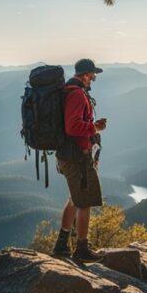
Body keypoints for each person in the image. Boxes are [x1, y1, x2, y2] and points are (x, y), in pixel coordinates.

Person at [52, 58, 108, 262]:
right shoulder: (76, 95)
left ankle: (61, 245)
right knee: (85, 202)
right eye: (93, 74)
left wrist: (92, 126)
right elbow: (72, 127)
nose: (94, 78)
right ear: (85, 74)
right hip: (77, 156)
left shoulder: (68, 91)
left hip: (69, 154)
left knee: (75, 198)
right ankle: (82, 249)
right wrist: (95, 128)